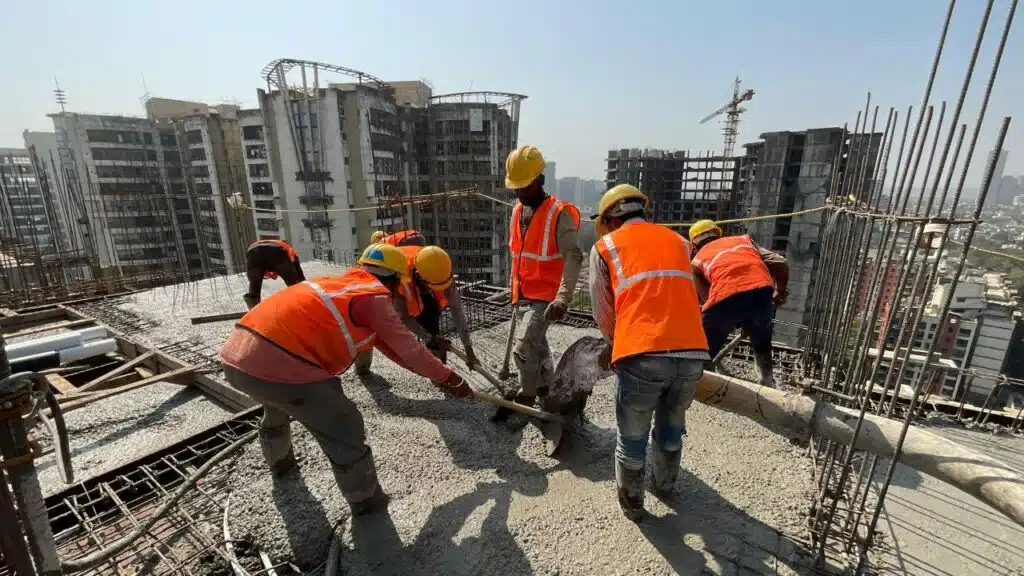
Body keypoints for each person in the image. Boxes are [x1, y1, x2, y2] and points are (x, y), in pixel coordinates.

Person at [219, 243, 472, 516]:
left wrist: (433, 372)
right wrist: (452, 379)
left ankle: (281, 466)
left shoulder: (340, 284)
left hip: (238, 356)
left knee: (277, 405)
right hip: (280, 362)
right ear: (397, 279)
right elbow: (411, 351)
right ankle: (368, 505)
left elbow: (395, 350)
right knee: (345, 426)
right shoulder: (375, 299)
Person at [589, 184, 710, 521]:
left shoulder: (606, 247)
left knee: (632, 436)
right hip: (692, 353)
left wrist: (615, 342)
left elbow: (603, 309)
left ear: (612, 220)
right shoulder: (680, 242)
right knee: (672, 427)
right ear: (642, 211)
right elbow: (700, 291)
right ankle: (665, 485)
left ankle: (633, 503)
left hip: (641, 354)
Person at [492, 145, 583, 421]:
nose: (520, 192)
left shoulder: (559, 214)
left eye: (526, 185)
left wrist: (563, 298)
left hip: (546, 297)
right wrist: (514, 291)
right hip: (523, 294)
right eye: (516, 187)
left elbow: (573, 257)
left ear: (540, 179)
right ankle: (546, 387)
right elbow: (519, 255)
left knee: (523, 349)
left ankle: (527, 396)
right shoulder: (518, 211)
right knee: (538, 346)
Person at [688, 219, 789, 387]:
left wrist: (730, 318)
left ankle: (697, 385)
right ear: (718, 233)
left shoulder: (697, 261)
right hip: (762, 293)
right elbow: (780, 262)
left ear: (694, 245)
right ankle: (767, 383)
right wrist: (779, 292)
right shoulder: (744, 241)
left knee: (704, 350)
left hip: (725, 298)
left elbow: (708, 298)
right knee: (762, 341)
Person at [354, 244, 479, 376]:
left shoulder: (441, 270)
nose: (437, 290)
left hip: (418, 283)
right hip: (382, 284)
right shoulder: (397, 278)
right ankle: (362, 365)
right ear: (419, 277)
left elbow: (457, 310)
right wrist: (426, 337)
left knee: (431, 315)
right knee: (366, 325)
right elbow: (403, 317)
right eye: (432, 287)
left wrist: (469, 349)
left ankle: (438, 371)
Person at [243, 239, 305, 309]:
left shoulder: (262, 265)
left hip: (252, 252)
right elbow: (299, 273)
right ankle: (302, 305)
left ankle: (254, 311)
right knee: (294, 284)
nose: (275, 278)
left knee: (254, 286)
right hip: (277, 251)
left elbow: (254, 276)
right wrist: (302, 284)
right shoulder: (289, 249)